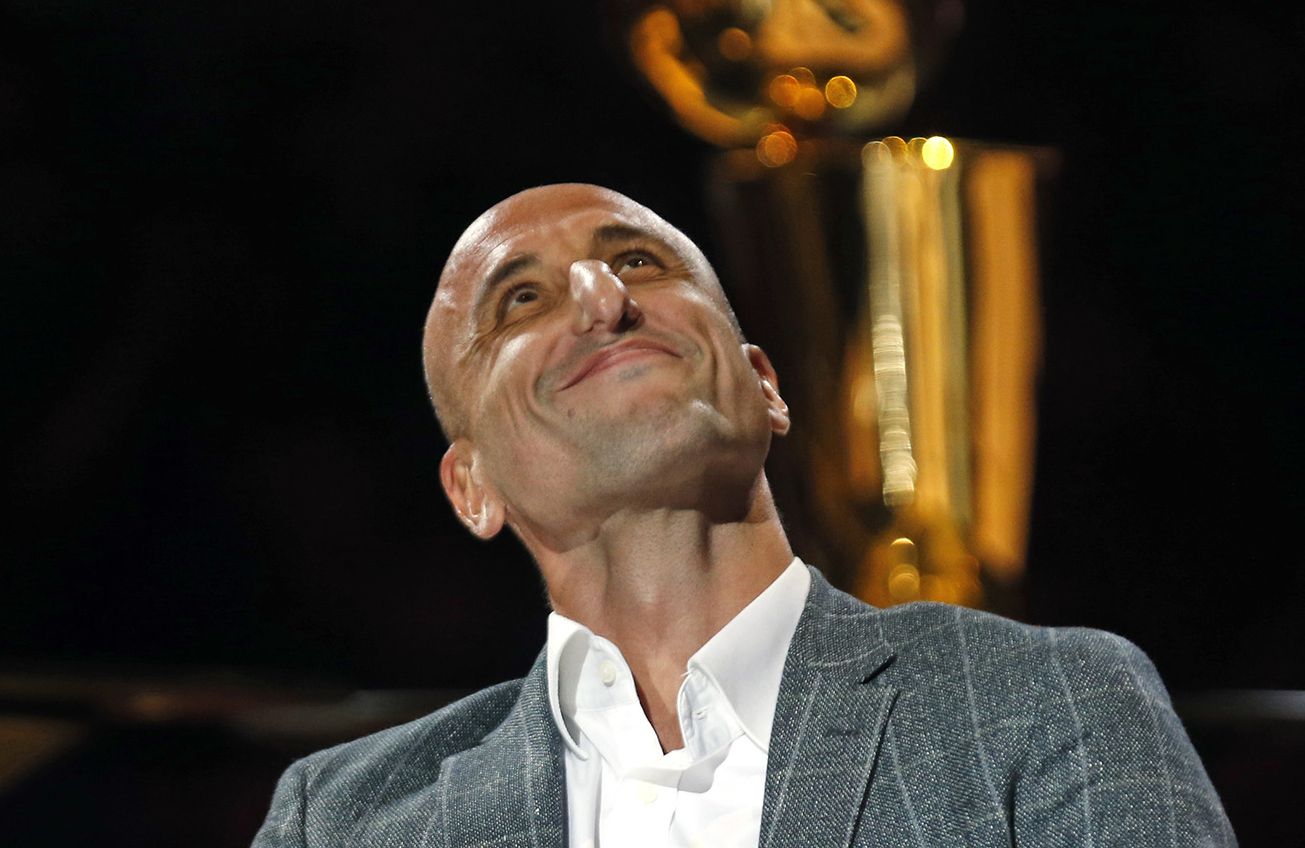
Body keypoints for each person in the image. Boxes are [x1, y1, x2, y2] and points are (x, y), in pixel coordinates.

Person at [252, 183, 1233, 847]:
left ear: (763, 385)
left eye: (637, 261)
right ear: (472, 487)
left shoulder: (1048, 696)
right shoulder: (342, 817)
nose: (602, 299)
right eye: (517, 301)